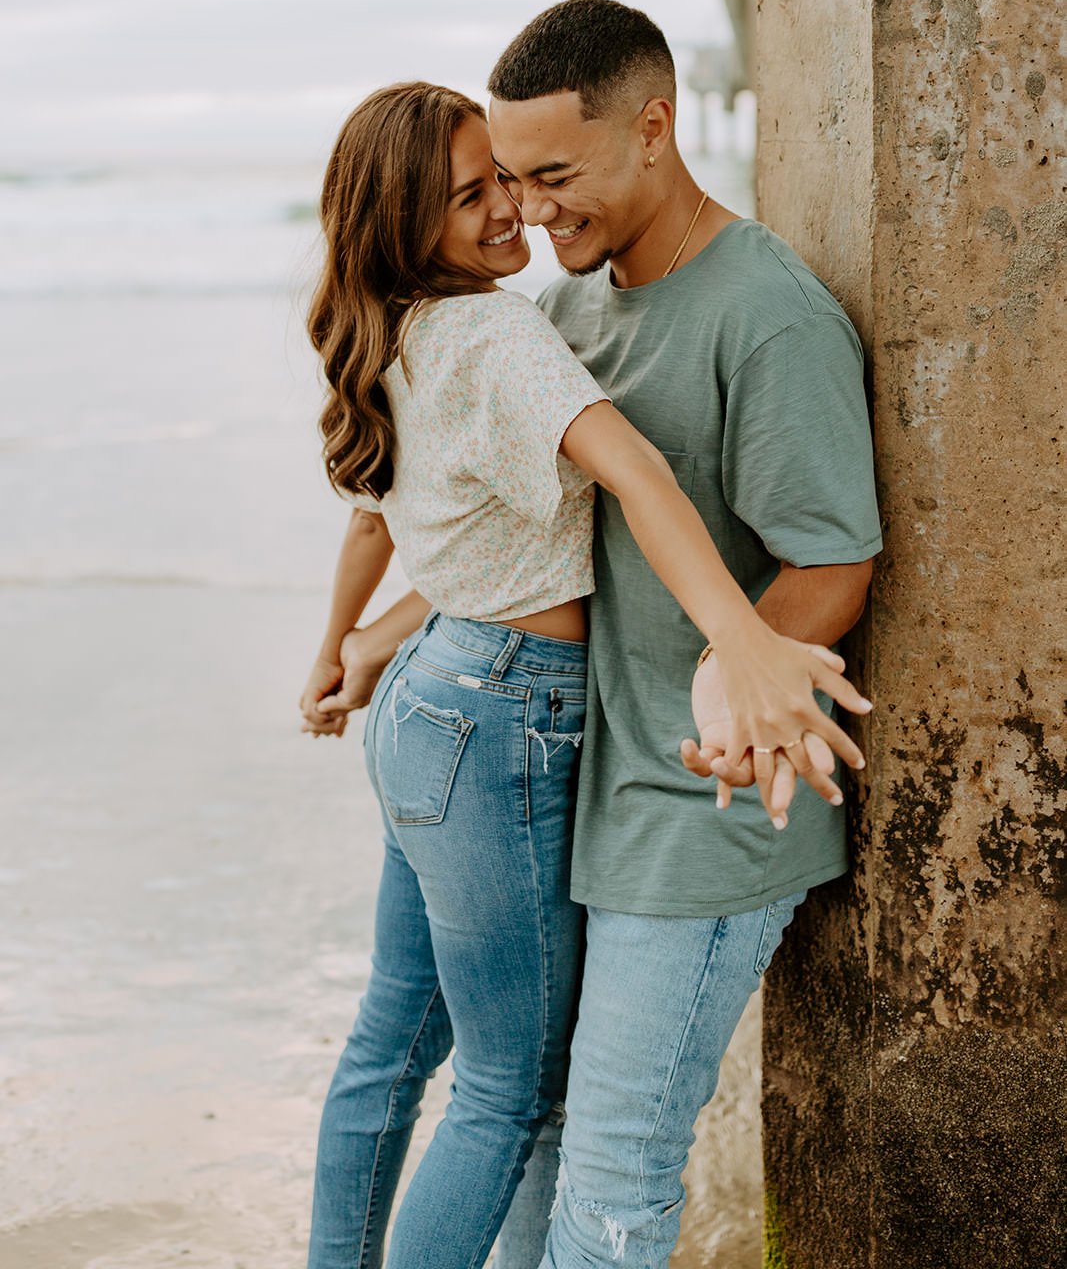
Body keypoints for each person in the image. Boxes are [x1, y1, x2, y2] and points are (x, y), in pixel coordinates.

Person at [297, 80, 872, 1269]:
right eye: (478, 191)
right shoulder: (512, 324)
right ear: (409, 222)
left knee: (401, 1052)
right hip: (498, 714)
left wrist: (354, 642)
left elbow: (449, 538)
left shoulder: (419, 325)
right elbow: (636, 480)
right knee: (509, 1095)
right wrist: (743, 640)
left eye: (516, 176)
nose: (515, 208)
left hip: (439, 697)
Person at [483, 0, 883, 1269]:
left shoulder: (766, 314)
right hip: (583, 793)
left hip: (704, 813)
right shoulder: (575, 311)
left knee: (613, 1168)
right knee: (530, 1137)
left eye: (557, 174)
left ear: (652, 129)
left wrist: (728, 684)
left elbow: (833, 556)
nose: (534, 211)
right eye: (511, 179)